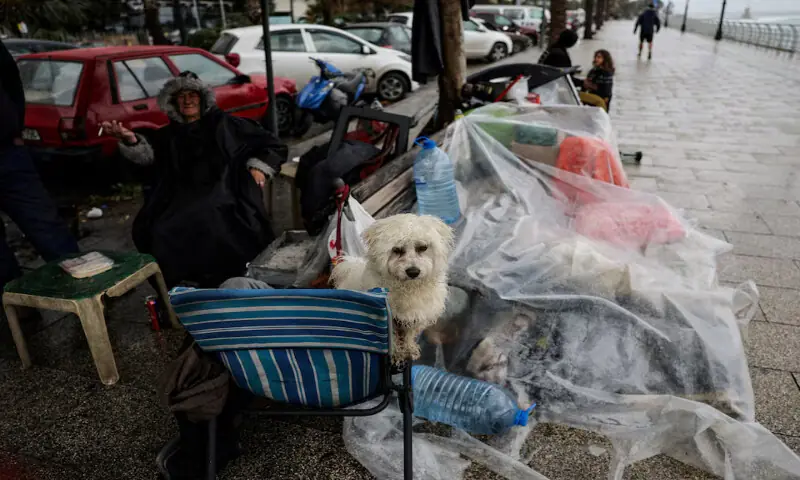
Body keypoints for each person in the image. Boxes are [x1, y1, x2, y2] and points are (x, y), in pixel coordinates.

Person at [102, 71, 287, 288]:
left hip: (226, 191)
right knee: (156, 229)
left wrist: (258, 168)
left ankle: (229, 280)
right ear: (173, 102)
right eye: (181, 96)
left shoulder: (228, 125)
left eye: (193, 94)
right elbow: (149, 160)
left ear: (203, 98)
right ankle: (183, 287)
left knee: (214, 219)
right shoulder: (168, 134)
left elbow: (273, 145)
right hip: (178, 196)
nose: (187, 100)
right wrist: (131, 140)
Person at [0, 40, 79, 292]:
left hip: (6, 153)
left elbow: (12, 84)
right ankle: (17, 303)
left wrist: (13, 127)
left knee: (45, 224)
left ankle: (89, 288)